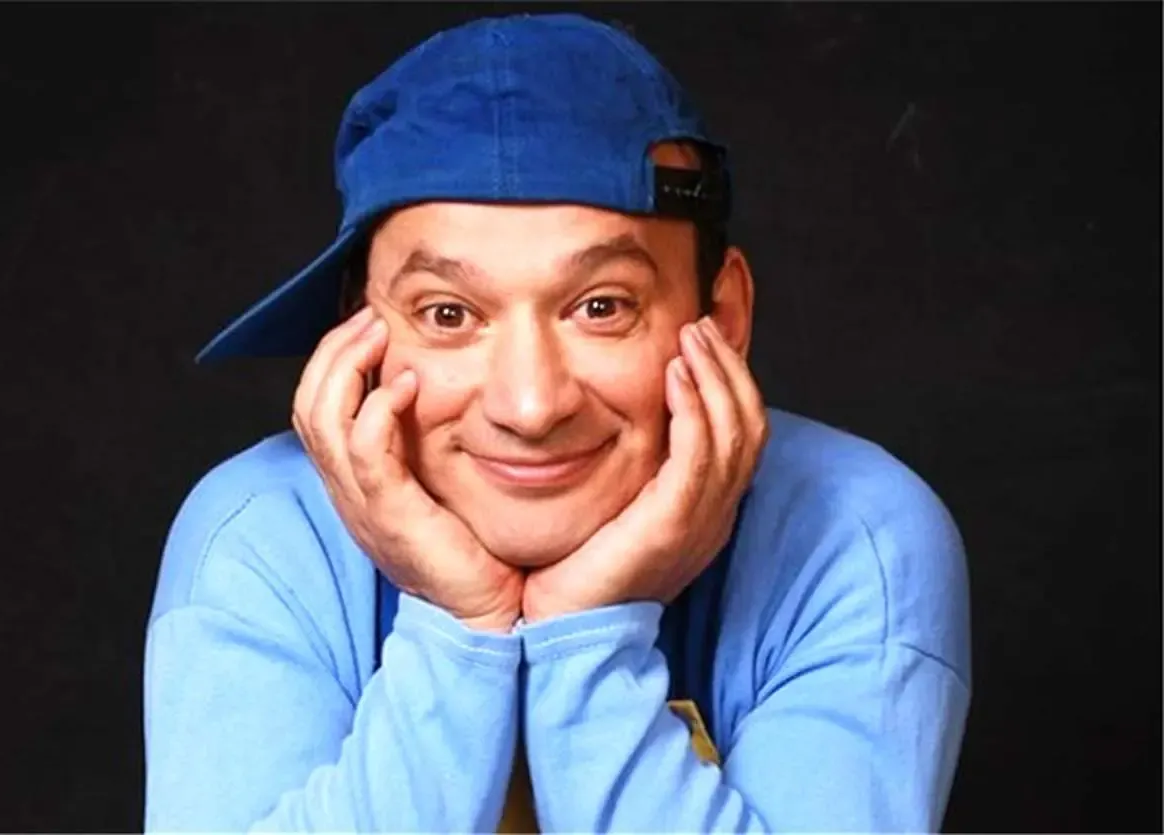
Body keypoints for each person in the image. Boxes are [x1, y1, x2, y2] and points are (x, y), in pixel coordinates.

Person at [143, 12, 971, 833]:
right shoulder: (262, 537)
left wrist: (587, 633)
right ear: (358, 331)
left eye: (601, 307)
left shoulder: (849, 535)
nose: (532, 406)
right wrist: (460, 624)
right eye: (448, 313)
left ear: (722, 317)